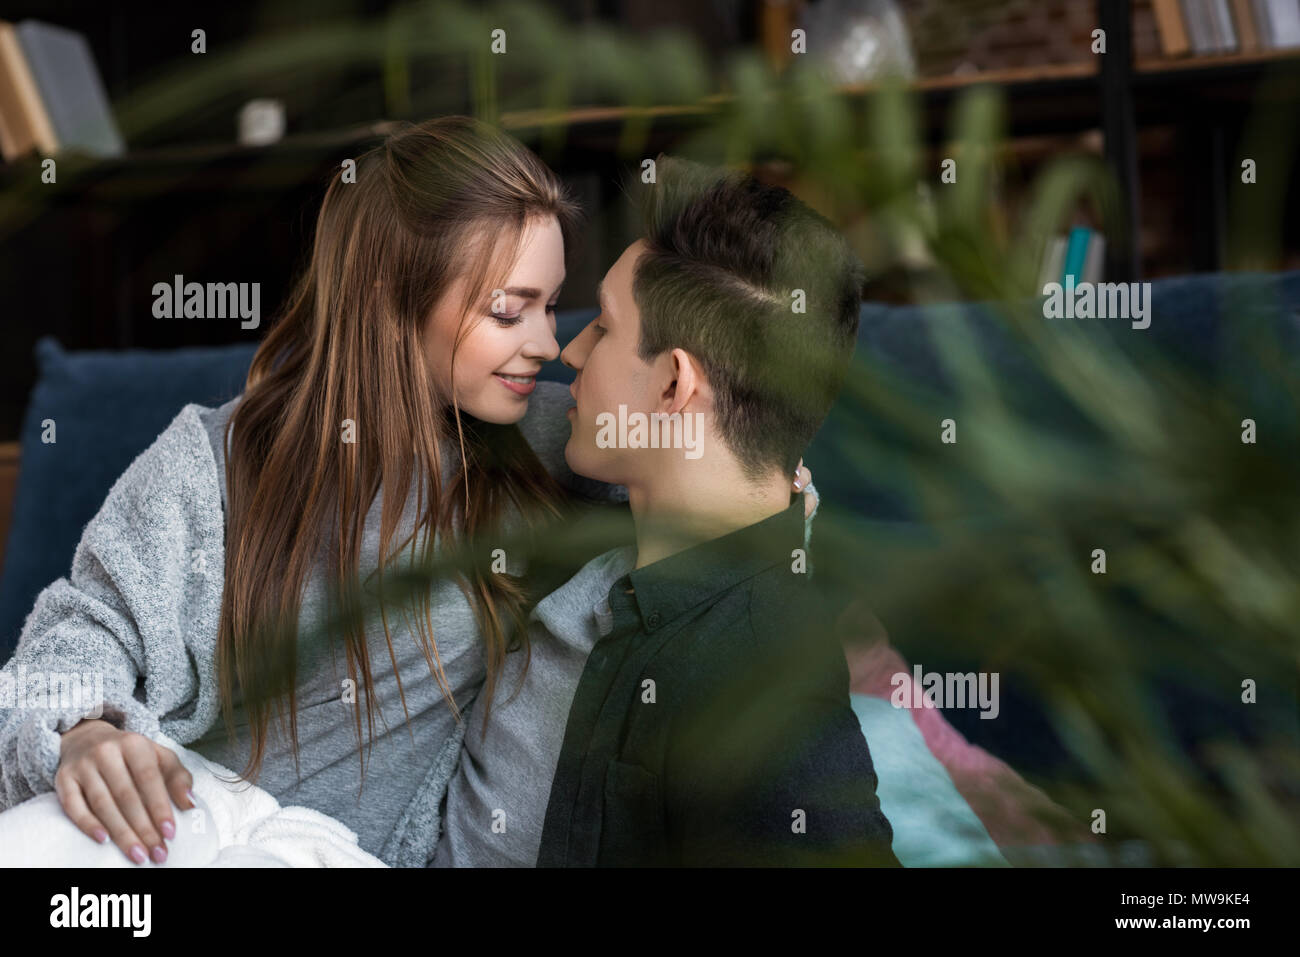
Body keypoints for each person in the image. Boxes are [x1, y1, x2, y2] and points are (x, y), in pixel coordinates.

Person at [0, 115, 812, 867]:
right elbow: (72, 635)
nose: (547, 343)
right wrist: (83, 730)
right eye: (508, 310)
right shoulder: (216, 461)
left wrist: (771, 499)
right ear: (393, 305)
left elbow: (725, 484)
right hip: (174, 830)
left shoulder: (563, 442)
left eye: (553, 304)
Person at [433, 155, 898, 867]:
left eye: (607, 328)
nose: (570, 351)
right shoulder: (646, 567)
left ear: (674, 384)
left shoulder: (758, 683)